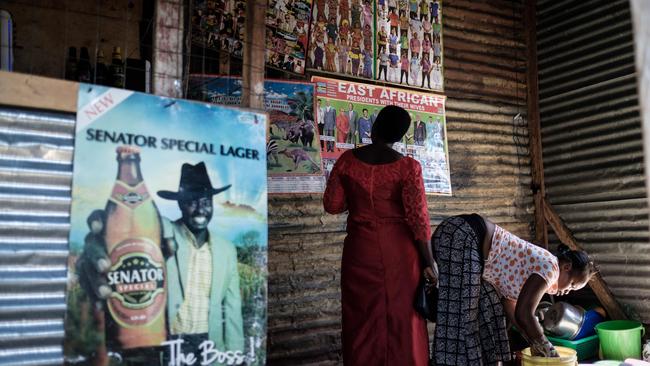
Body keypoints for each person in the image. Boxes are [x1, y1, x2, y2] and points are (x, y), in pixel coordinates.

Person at [76, 162, 244, 362]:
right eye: (192, 201)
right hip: (169, 347)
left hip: (212, 349)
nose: (201, 209)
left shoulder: (226, 249)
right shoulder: (162, 231)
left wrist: (237, 356)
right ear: (180, 204)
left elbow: (233, 309)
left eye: (206, 201)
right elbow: (129, 228)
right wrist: (102, 233)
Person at [323, 106, 436, 366]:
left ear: (374, 127)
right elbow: (418, 218)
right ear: (399, 135)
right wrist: (429, 261)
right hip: (400, 252)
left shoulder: (347, 161)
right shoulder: (408, 167)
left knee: (361, 316)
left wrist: (358, 199)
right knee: (402, 316)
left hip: (359, 249)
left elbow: (332, 205)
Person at [431, 214, 592, 365]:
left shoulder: (538, 274)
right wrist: (545, 346)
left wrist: (531, 338)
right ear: (566, 267)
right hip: (462, 234)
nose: (568, 291)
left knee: (492, 314)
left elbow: (514, 310)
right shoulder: (551, 268)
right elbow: (524, 313)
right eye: (572, 284)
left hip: (462, 239)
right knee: (463, 317)